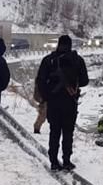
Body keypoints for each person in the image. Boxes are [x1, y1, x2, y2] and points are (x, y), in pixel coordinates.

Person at [35, 35, 89, 171]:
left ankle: (53, 161)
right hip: (70, 102)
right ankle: (66, 160)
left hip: (53, 102)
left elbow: (40, 81)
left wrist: (47, 96)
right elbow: (85, 81)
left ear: (58, 44)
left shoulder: (48, 60)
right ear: (70, 45)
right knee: (68, 132)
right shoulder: (77, 60)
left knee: (54, 131)